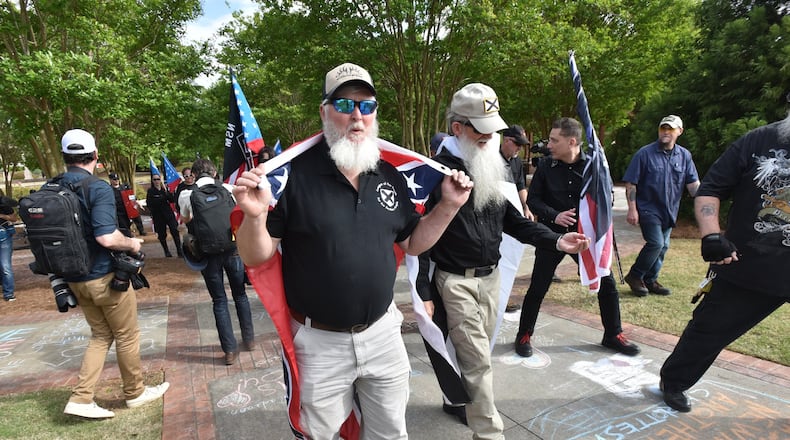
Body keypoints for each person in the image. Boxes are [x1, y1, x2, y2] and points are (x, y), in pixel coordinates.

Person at [232, 62, 473, 440]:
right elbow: (256, 256)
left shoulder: (389, 173)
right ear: (325, 111)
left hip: (383, 335)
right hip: (319, 345)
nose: (357, 116)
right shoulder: (293, 175)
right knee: (318, 435)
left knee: (390, 433)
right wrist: (255, 216)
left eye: (367, 105)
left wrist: (448, 207)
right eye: (345, 105)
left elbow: (412, 242)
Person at [417, 84, 590, 440]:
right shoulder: (435, 173)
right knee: (478, 362)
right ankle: (490, 433)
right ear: (458, 129)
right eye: (482, 128)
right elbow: (416, 238)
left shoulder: (494, 166)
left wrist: (557, 239)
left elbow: (514, 222)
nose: (490, 136)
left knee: (476, 356)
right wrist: (423, 292)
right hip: (455, 282)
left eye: (494, 128)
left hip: (491, 279)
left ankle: (459, 402)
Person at [659, 111, 790, 413]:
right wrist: (711, 237)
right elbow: (711, 189)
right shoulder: (759, 141)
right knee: (709, 329)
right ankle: (674, 381)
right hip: (749, 266)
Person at [58, 129, 169, 419]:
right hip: (105, 278)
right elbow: (107, 237)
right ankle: (135, 392)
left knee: (100, 335)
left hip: (74, 278)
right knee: (127, 335)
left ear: (65, 158)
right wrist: (132, 243)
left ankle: (81, 398)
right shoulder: (97, 188)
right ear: (95, 156)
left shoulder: (53, 186)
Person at [514, 117, 639, 358]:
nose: (548, 144)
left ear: (572, 141)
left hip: (586, 238)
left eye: (554, 140)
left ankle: (613, 334)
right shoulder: (546, 167)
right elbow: (533, 200)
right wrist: (555, 215)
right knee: (538, 286)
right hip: (553, 237)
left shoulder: (595, 167)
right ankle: (524, 334)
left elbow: (606, 198)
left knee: (606, 284)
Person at [178, 158, 254, 366]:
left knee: (219, 301)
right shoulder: (229, 189)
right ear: (213, 173)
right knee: (240, 295)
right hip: (232, 250)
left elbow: (186, 219)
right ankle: (249, 339)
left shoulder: (187, 195)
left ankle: (229, 351)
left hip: (208, 254)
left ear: (193, 175)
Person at [622, 115, 700, 296]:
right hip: (648, 208)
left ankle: (650, 280)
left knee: (663, 246)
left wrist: (706, 199)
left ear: (679, 132)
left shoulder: (684, 155)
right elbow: (631, 183)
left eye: (670, 129)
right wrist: (632, 209)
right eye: (663, 128)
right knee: (656, 243)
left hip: (670, 210)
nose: (665, 132)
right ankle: (635, 275)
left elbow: (693, 184)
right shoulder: (644, 154)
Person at [500, 124, 534, 220]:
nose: (520, 148)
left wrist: (526, 207)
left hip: (512, 211)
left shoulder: (517, 161)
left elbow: (521, 186)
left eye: (522, 145)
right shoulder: (492, 158)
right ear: (506, 140)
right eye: (517, 144)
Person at [146, 174, 182, 258]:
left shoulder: (165, 189)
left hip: (168, 214)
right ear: (152, 181)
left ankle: (179, 251)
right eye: (154, 180)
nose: (156, 181)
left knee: (174, 231)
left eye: (158, 179)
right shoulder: (151, 191)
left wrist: (166, 192)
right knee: (162, 234)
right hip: (158, 215)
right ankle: (166, 251)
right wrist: (161, 198)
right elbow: (150, 203)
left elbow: (172, 200)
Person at [0, 191, 18, 302]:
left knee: (5, 265)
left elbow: (14, 218)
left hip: (3, 236)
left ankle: (9, 293)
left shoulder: (3, 204)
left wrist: (2, 216)